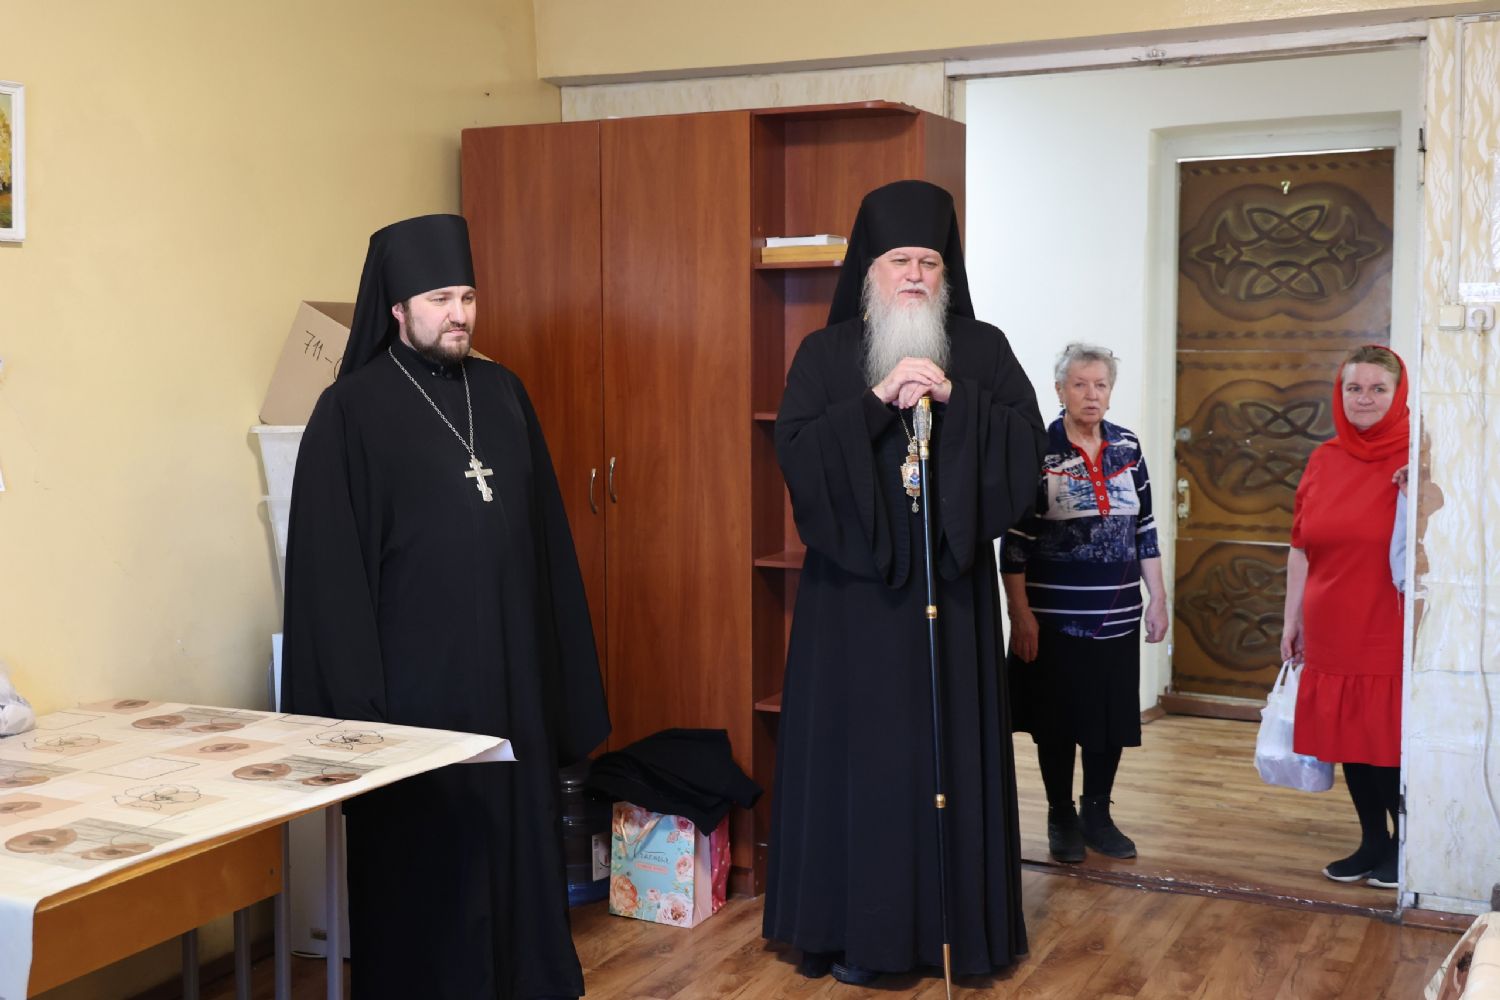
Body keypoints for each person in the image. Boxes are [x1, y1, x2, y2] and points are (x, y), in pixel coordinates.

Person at [281, 214, 609, 999]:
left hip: (511, 686)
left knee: (517, 849)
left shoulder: (503, 393)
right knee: (430, 875)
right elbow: (330, 583)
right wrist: (360, 724)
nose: (460, 314)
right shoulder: (349, 412)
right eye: (440, 300)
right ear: (398, 308)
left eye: (468, 297)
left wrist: (557, 684)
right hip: (415, 702)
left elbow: (548, 549)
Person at [763, 180, 1046, 985]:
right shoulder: (826, 354)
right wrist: (878, 402)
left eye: (928, 261)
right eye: (899, 261)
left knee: (947, 758)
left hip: (950, 600)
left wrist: (958, 401)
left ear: (945, 271)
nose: (915, 275)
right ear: (870, 271)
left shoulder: (982, 349)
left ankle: (955, 936)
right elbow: (795, 453)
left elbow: (1027, 450)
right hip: (850, 609)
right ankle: (854, 934)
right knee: (861, 767)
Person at [1000, 343, 1168, 864]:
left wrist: (1157, 599)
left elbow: (1145, 528)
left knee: (1107, 720)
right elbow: (1014, 544)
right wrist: (1020, 615)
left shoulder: (1128, 447)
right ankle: (1061, 815)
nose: (1091, 394)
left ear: (1110, 392)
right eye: (1080, 384)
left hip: (1117, 617)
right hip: (1054, 621)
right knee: (1056, 722)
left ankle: (1098, 813)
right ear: (1060, 390)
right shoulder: (1039, 450)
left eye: (1100, 385)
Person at [1280, 344, 1409, 890]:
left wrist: (1420, 490)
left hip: (1387, 620)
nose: (1364, 398)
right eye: (1354, 388)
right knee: (1352, 737)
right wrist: (1291, 619)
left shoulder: (1421, 455)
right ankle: (1372, 841)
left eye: (1378, 388)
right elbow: (1300, 546)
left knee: (1386, 738)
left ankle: (1406, 845)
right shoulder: (1325, 458)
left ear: (1399, 393)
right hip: (1330, 619)